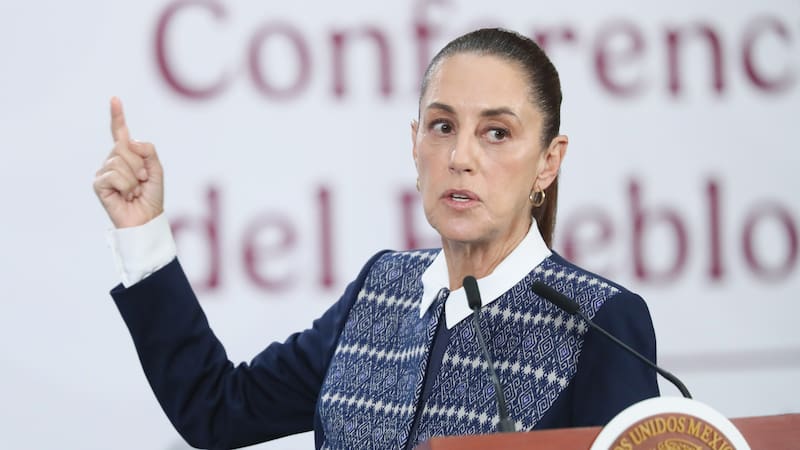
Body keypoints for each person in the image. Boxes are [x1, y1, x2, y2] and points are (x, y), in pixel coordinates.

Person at [94, 28, 659, 450]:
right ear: (415, 145)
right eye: (442, 127)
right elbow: (215, 409)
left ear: (547, 162)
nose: (461, 157)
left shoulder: (598, 322)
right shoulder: (381, 289)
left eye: (496, 132)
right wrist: (142, 231)